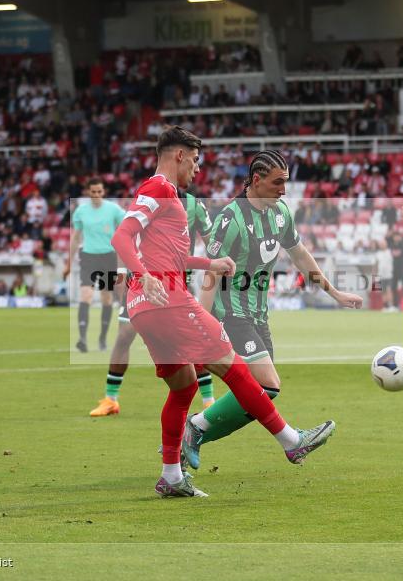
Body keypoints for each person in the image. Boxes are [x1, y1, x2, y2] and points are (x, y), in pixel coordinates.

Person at [110, 126, 336, 498]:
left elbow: (174, 255)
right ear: (179, 155)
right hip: (165, 298)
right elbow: (121, 236)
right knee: (234, 367)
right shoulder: (159, 188)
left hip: (143, 307)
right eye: (195, 160)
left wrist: (207, 263)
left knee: (182, 388)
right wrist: (145, 274)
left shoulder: (172, 199)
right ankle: (291, 440)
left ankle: (171, 476)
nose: (198, 169)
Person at [181, 150, 363, 471]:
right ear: (256, 180)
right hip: (231, 315)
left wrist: (334, 292)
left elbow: (300, 254)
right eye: (278, 182)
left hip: (259, 316)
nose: (284, 189)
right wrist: (203, 325)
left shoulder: (280, 213)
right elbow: (210, 275)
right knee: (265, 385)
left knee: (265, 392)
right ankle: (291, 443)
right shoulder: (230, 219)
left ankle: (194, 430)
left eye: (286, 182)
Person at [89, 188, 217, 417]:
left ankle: (209, 401)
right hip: (142, 279)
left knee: (194, 340)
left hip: (177, 282)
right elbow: (125, 235)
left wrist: (215, 266)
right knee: (124, 335)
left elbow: (212, 242)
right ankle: (111, 399)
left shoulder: (194, 205)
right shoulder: (150, 197)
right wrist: (120, 273)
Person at [64, 179, 125, 352]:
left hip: (108, 257)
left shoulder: (113, 209)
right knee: (86, 295)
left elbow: (126, 228)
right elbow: (76, 238)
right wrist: (68, 262)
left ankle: (102, 338)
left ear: (103, 192)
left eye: (99, 191)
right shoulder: (81, 211)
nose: (96, 195)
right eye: (93, 192)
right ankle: (82, 339)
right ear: (88, 192)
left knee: (106, 298)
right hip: (88, 256)